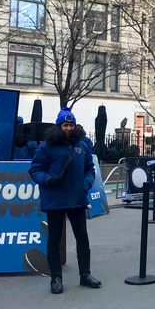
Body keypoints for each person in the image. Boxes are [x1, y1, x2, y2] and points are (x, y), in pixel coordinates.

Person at [29, 107, 101, 294]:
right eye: (65, 125)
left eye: (71, 125)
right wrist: (48, 179)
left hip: (77, 199)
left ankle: (85, 275)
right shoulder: (46, 147)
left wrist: (85, 185)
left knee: (82, 239)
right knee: (54, 240)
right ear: (59, 126)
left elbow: (89, 169)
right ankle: (56, 278)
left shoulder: (82, 145)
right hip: (55, 200)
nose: (68, 128)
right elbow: (35, 170)